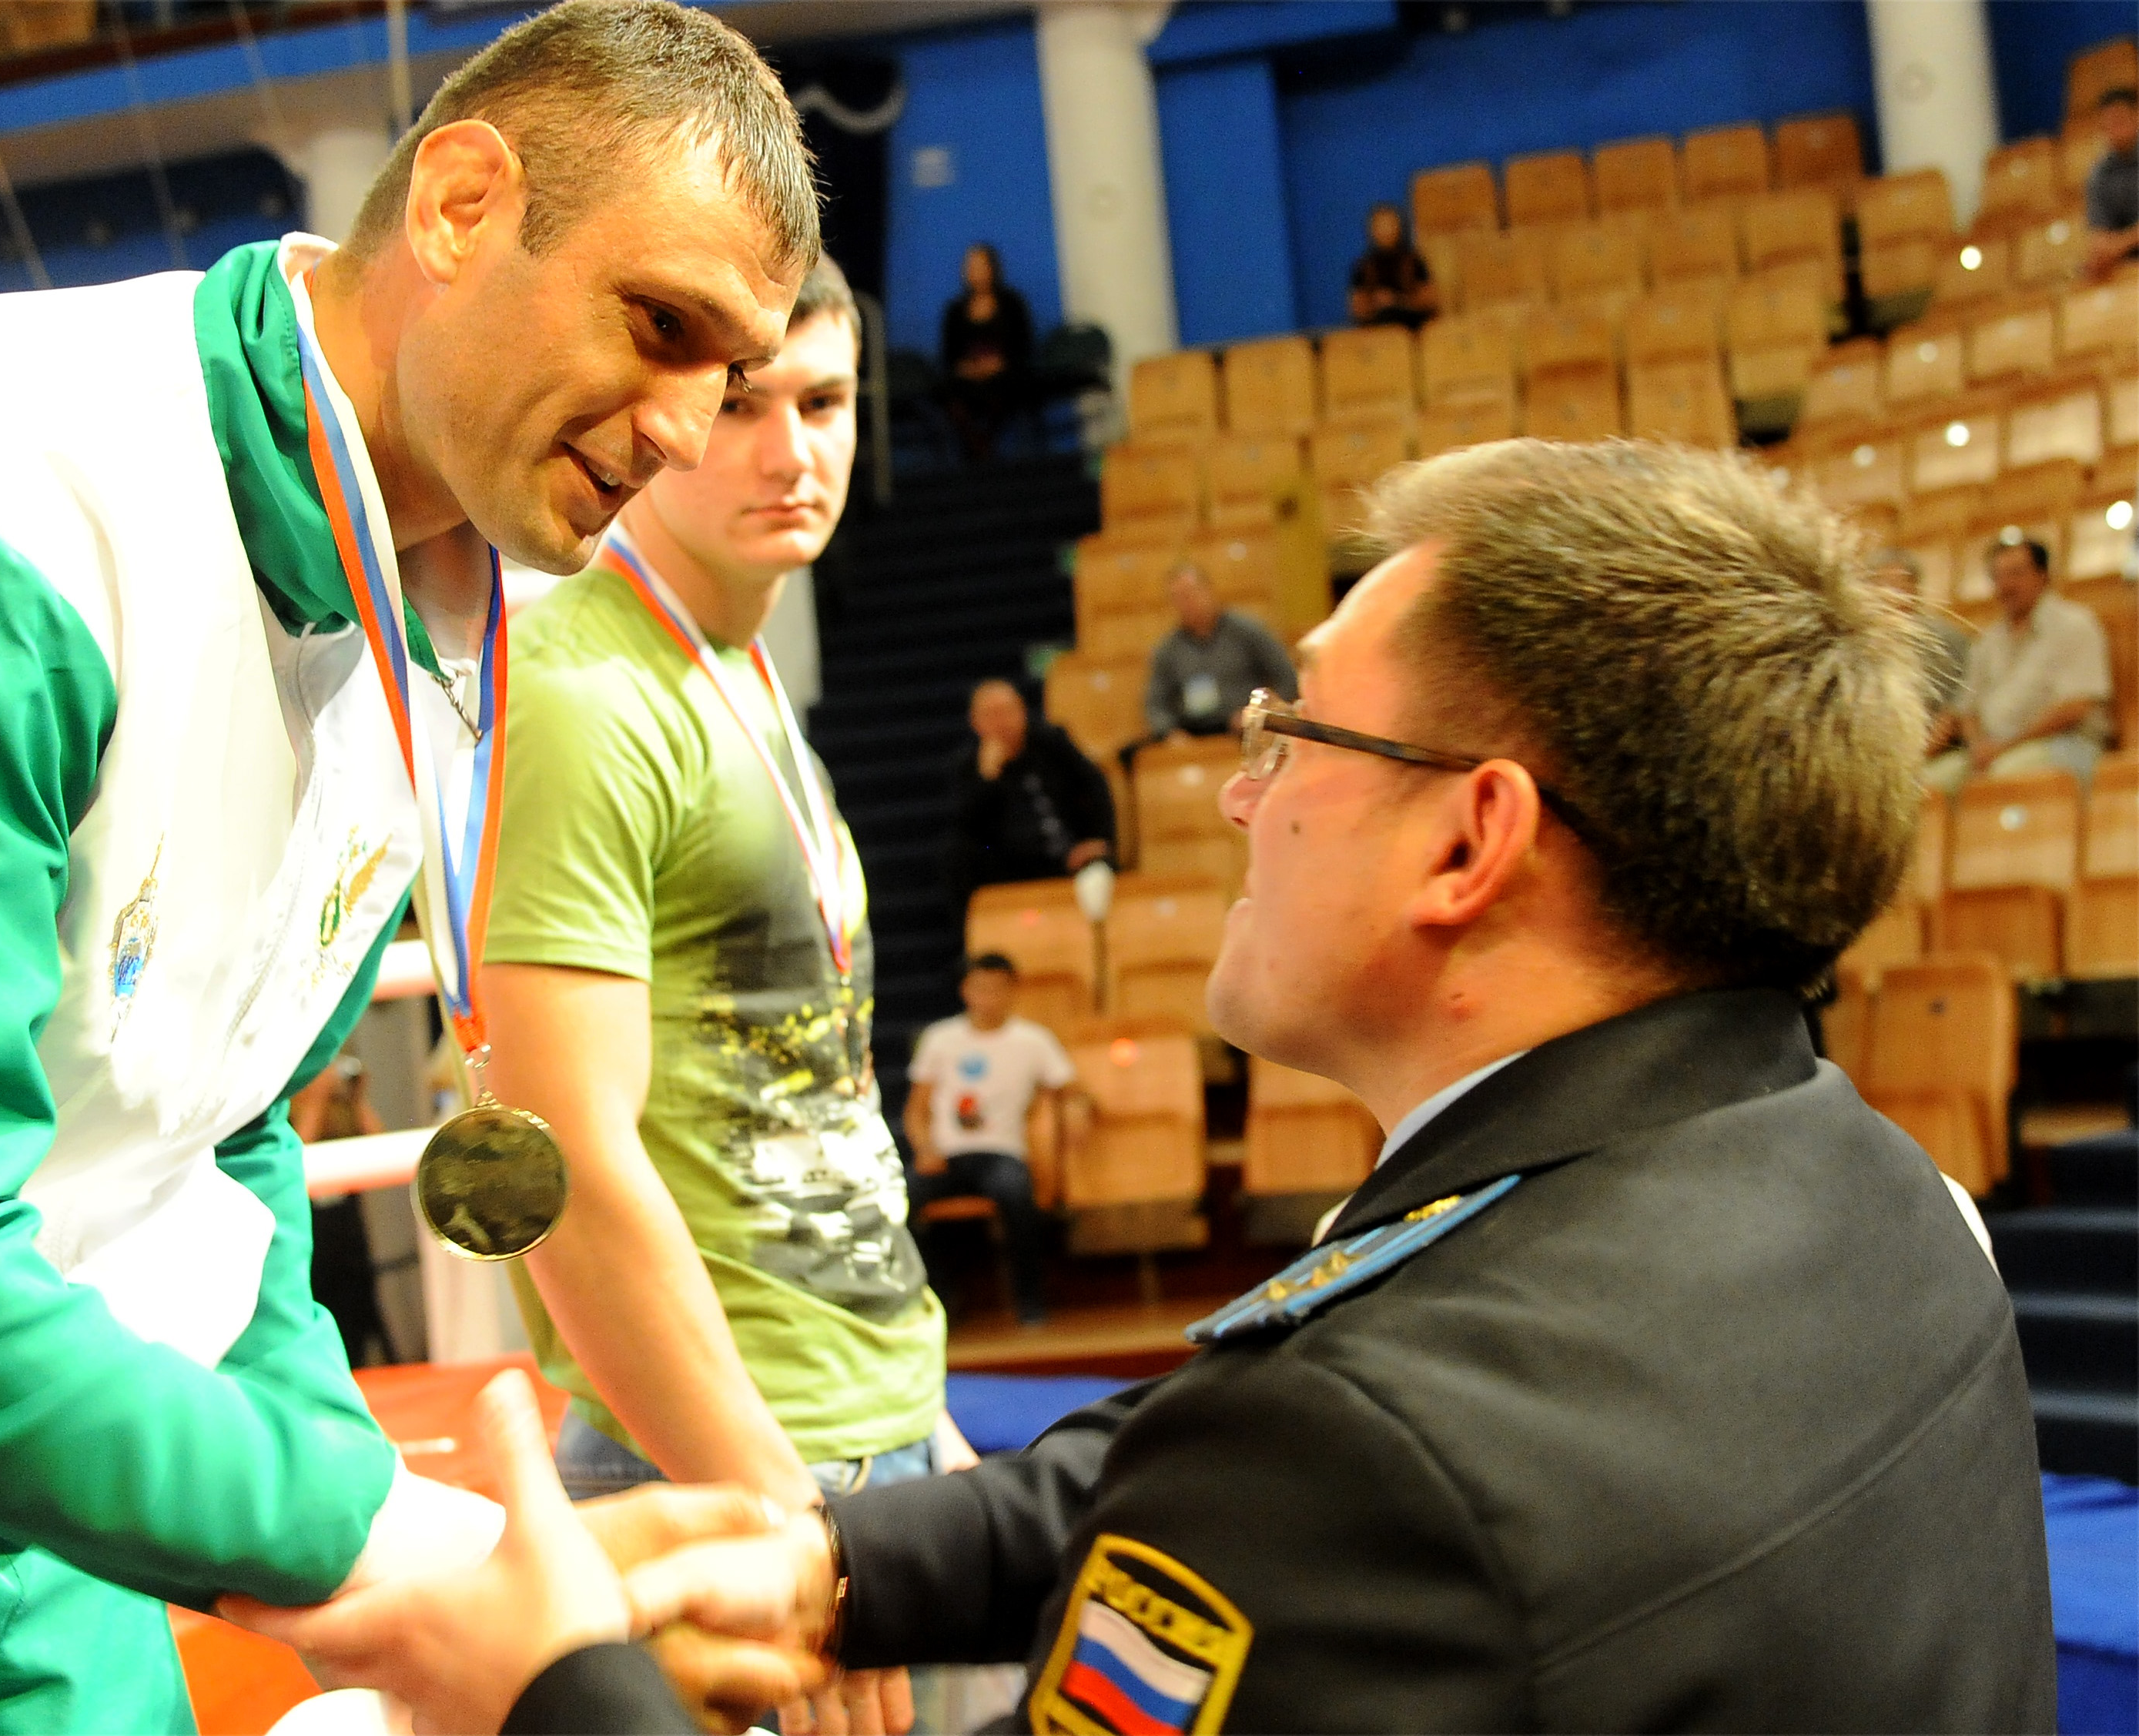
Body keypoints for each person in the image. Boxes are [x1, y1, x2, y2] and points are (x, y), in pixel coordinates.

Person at [0, 2, 818, 1727]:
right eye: (659, 327)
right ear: (455, 204)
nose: (683, 425)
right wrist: (386, 1542)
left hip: (51, 1453)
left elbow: (217, 1138)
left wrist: (390, 1523)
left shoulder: (433, 604)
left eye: (725, 378)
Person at [437, 438, 2052, 1734]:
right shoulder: (1892, 1194)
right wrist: (832, 1559)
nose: (1234, 788)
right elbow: (1276, 1429)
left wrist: (560, 1690)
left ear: (1466, 839)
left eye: (1298, 728)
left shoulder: (1371, 1453)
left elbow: (1323, 1459)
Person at [471, 252, 954, 1724]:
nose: (791, 451)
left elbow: (807, 1098)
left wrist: (918, 1426)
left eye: (823, 401)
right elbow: (557, 1158)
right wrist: (773, 1516)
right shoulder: (578, 687)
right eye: (743, 406)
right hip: (723, 1463)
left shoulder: (739, 675)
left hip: (862, 1430)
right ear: (663, 415)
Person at [903, 955, 1080, 1327]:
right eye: (980, 988)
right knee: (897, 1203)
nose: (989, 997)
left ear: (1014, 991)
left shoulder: (1033, 1040)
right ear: (965, 991)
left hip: (1002, 1153)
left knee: (1017, 1194)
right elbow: (916, 1109)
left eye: (999, 988)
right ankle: (939, 1297)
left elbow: (1072, 1089)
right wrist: (925, 1148)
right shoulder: (939, 1038)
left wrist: (1079, 1113)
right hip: (947, 1155)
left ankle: (1030, 1300)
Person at [1924, 536, 2113, 791]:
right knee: (1926, 786)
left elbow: (2075, 707)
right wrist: (1979, 746)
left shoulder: (2075, 626)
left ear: (2043, 576)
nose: (2006, 585)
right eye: (1997, 577)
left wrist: (2006, 747)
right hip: (1990, 752)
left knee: (2001, 780)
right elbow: (1967, 710)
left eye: (2015, 574)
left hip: (2065, 744)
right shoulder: (1988, 642)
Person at [943, 677, 1115, 918]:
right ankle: (979, 936)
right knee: (955, 854)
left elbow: (1094, 784)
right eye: (991, 715)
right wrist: (987, 780)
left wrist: (1099, 837)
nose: (1001, 723)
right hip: (1012, 867)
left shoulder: (1052, 741)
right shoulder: (968, 766)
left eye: (1006, 712)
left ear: (1023, 711)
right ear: (975, 722)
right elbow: (968, 827)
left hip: (1070, 856)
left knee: (1100, 875)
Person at [292, 1056, 395, 1367]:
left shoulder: (342, 1114)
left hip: (350, 1245)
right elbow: (295, 1160)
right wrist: (316, 1103)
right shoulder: (285, 1117)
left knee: (357, 1327)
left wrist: (357, 1099)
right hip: (311, 1248)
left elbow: (385, 1153)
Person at [1143, 562, 1297, 741]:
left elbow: (1287, 678)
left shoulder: (1247, 631)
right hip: (1195, 734)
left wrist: (1259, 714)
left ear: (1209, 590)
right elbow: (1155, 703)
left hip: (1243, 728)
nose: (1187, 603)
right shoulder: (1168, 650)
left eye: (1191, 593)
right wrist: (1169, 732)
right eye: (1178, 598)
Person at [939, 241, 1034, 464]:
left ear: (993, 267)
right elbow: (949, 354)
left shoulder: (1012, 304)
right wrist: (968, 368)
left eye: (981, 265)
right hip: (967, 380)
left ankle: (980, 451)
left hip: (1004, 376)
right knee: (949, 393)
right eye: (970, 266)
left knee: (1004, 388)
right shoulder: (955, 310)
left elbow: (1024, 345)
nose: (975, 271)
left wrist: (999, 364)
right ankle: (982, 449)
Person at [1873, 545, 1973, 755]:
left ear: (1915, 588)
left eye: (1899, 583)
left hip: (1938, 752)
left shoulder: (1945, 638)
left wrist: (1920, 755)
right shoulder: (1864, 646)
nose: (1891, 593)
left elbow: (1957, 708)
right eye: (1882, 584)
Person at [1347, 200, 1438, 330]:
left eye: (1389, 225)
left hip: (1412, 326)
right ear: (1371, 230)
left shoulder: (1413, 261)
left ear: (1399, 226)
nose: (1385, 231)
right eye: (1380, 226)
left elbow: (1430, 300)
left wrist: (1397, 301)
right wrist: (1376, 303)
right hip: (1377, 329)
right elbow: (1357, 309)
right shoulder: (1363, 267)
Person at [2085, 85, 2137, 279]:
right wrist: (2104, 250)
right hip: (2125, 263)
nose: (2115, 128)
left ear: (2136, 116)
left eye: (2120, 120)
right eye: (2110, 123)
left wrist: (2118, 244)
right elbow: (2099, 233)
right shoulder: (2099, 174)